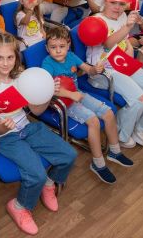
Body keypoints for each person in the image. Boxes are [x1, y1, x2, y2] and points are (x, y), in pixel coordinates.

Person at [0, 32, 76, 235]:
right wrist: (6, 126)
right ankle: (19, 206)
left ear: (17, 57)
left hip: (26, 127)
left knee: (69, 155)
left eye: (10, 57)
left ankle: (49, 183)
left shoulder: (22, 76)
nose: (5, 63)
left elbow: (37, 111)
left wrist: (47, 93)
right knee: (36, 174)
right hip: (3, 136)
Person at [42, 27, 133, 185]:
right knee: (93, 121)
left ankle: (115, 152)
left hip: (78, 93)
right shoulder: (47, 64)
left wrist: (95, 69)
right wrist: (71, 95)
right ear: (47, 48)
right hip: (63, 101)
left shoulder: (71, 56)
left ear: (68, 45)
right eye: (53, 47)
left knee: (109, 113)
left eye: (62, 46)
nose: (58, 50)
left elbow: (88, 69)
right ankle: (98, 164)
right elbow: (47, 89)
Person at [87, 0, 143, 148]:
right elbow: (107, 44)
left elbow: (125, 41)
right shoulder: (96, 20)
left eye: (122, 4)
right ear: (105, 1)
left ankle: (140, 127)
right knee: (141, 98)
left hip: (121, 62)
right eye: (113, 3)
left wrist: (129, 52)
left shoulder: (123, 16)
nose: (118, 7)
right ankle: (121, 133)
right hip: (102, 70)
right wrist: (128, 26)